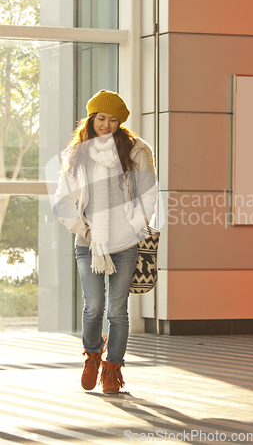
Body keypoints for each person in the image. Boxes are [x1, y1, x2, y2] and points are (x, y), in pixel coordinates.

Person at [53, 90, 158, 393]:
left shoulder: (137, 150)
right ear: (91, 118)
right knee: (93, 307)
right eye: (101, 118)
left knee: (117, 310)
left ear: (120, 122)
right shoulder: (76, 154)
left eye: (113, 120)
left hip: (125, 243)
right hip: (89, 243)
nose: (106, 124)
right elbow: (63, 200)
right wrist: (81, 228)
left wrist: (136, 224)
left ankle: (113, 369)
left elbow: (149, 193)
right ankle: (92, 356)